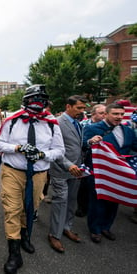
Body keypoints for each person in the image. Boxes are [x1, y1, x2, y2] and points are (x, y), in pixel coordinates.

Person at [0, 84, 64, 274]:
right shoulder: (12, 120)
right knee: (12, 209)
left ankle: (24, 235)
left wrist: (42, 155)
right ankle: (14, 253)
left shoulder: (51, 122)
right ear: (26, 100)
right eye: (34, 99)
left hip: (39, 173)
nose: (37, 103)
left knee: (30, 207)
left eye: (41, 100)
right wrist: (18, 148)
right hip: (13, 171)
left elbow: (59, 150)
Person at [83, 103, 137, 243]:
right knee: (97, 202)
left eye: (121, 114)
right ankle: (95, 230)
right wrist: (90, 142)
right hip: (99, 173)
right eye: (115, 114)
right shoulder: (92, 128)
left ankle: (106, 227)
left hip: (119, 175)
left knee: (114, 202)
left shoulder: (128, 131)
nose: (119, 117)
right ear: (106, 114)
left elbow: (134, 147)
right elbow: (83, 144)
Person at [48, 95, 87, 253]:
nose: (82, 111)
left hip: (76, 171)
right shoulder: (57, 123)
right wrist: (68, 165)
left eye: (84, 108)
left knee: (72, 201)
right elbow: (53, 148)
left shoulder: (78, 123)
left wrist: (89, 143)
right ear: (68, 106)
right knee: (60, 201)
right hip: (60, 170)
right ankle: (54, 235)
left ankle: (67, 227)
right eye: (79, 108)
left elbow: (76, 144)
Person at [76, 104, 106, 217]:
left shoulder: (108, 128)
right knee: (84, 184)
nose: (104, 116)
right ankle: (81, 207)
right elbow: (80, 143)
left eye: (105, 113)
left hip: (100, 161)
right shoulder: (83, 125)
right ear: (93, 114)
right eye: (101, 113)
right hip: (85, 158)